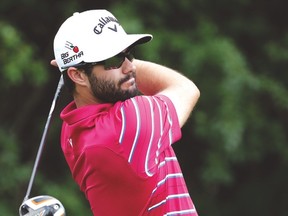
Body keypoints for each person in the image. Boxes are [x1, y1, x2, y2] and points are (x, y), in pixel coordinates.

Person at [52, 9, 200, 216]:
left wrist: (72, 66)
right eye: (113, 59)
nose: (130, 67)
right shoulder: (129, 123)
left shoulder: (70, 130)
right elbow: (185, 88)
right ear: (78, 76)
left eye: (128, 54)